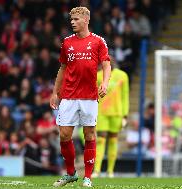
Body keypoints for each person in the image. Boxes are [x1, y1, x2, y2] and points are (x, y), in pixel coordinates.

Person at [50, 7, 111, 187]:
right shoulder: (67, 43)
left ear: (86, 20)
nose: (72, 22)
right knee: (64, 134)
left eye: (76, 19)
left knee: (89, 134)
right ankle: (70, 173)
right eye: (71, 19)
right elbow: (62, 68)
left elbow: (106, 65)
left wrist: (105, 83)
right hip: (68, 95)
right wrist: (55, 92)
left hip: (89, 96)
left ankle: (88, 177)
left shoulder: (98, 41)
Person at [93, 57, 129, 178]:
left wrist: (125, 114)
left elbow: (125, 95)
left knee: (113, 140)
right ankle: (97, 170)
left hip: (117, 113)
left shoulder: (122, 76)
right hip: (102, 112)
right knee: (101, 140)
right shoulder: (98, 76)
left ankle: (110, 171)